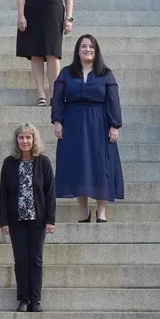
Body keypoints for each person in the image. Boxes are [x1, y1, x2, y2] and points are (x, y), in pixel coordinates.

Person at [51, 34, 124, 222]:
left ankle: (101, 210)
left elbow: (113, 100)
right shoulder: (66, 73)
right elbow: (58, 98)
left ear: (96, 50)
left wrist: (114, 125)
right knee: (78, 165)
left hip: (99, 124)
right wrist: (57, 121)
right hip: (73, 123)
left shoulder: (105, 73)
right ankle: (83, 210)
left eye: (91, 46)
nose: (87, 49)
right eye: (83, 46)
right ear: (77, 50)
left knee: (100, 165)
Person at [0, 123, 56, 312]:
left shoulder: (43, 162)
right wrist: (4, 222)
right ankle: (23, 299)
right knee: (21, 260)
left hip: (38, 219)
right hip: (17, 220)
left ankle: (36, 300)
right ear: (17, 140)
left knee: (36, 260)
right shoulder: (9, 163)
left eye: (28, 137)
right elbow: (3, 194)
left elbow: (50, 193)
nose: (24, 141)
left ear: (34, 140)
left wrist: (51, 220)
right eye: (21, 138)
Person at [16, 0, 72, 106]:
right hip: (32, 15)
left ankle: (55, 94)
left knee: (53, 55)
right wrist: (21, 15)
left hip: (54, 16)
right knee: (36, 55)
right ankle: (41, 94)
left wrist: (69, 18)